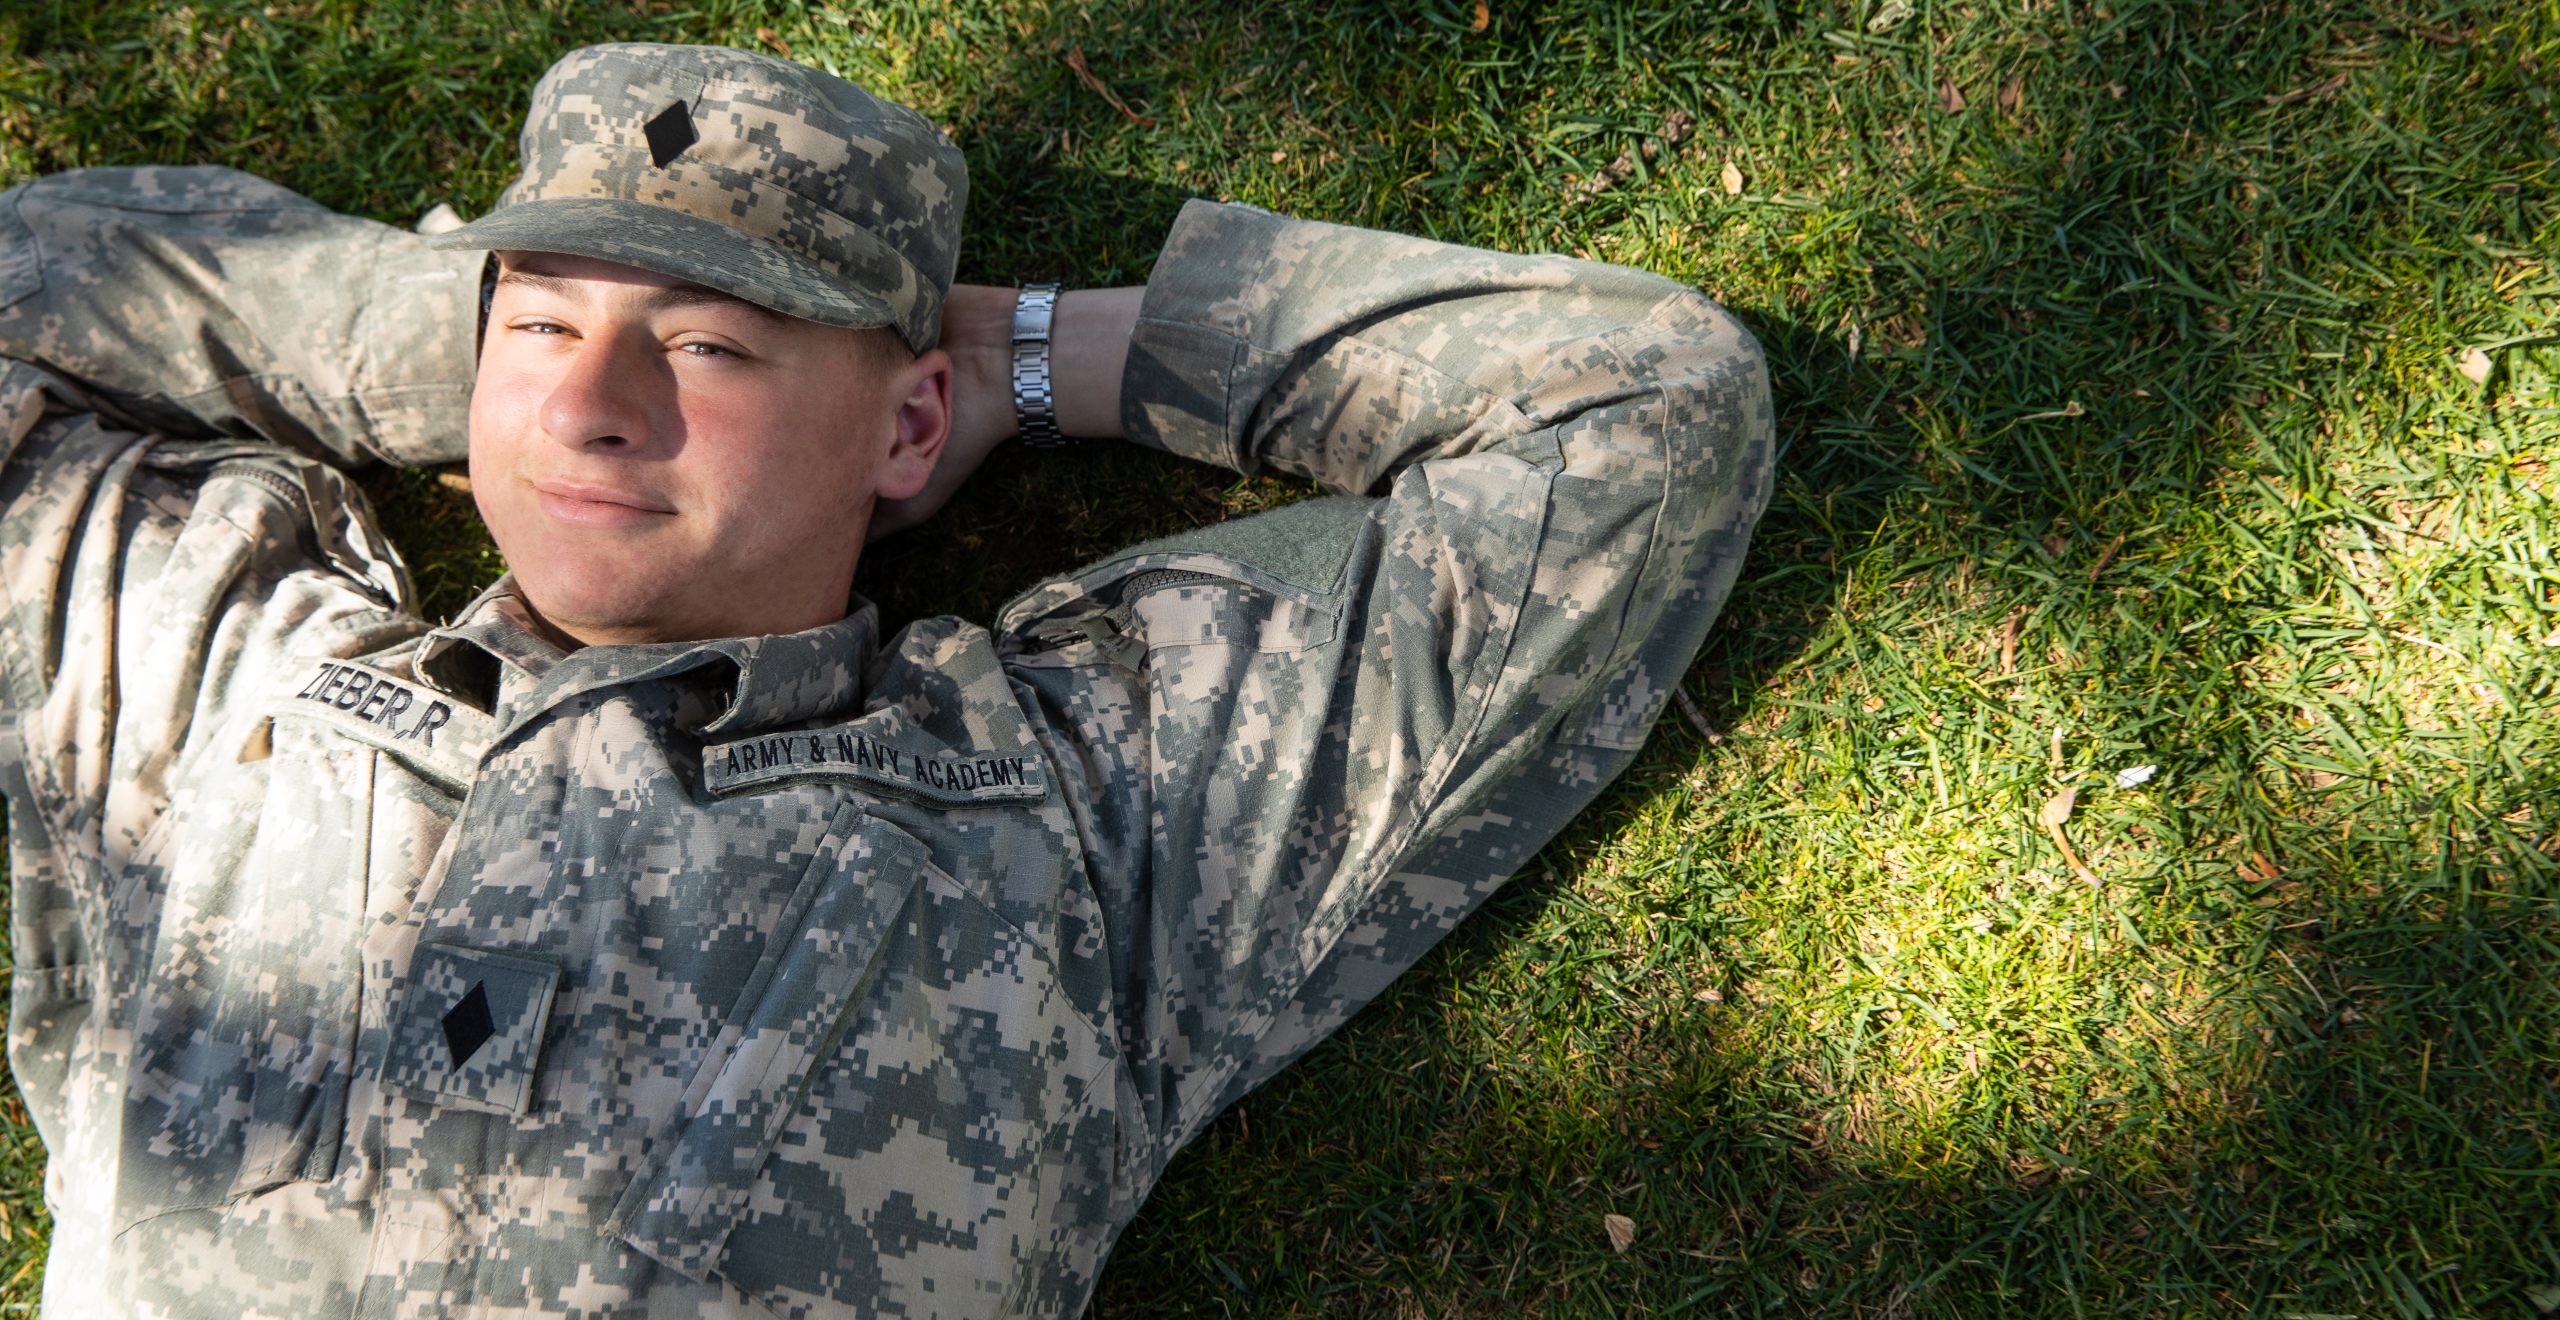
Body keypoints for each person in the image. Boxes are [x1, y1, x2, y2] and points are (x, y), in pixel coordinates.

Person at [0, 39, 1770, 1319]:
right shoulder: (219, 678)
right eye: (545, 326)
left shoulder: (1070, 811)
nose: (596, 404)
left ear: (907, 422)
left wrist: (1027, 351)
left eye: (709, 346)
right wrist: (445, 354)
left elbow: (1635, 409)